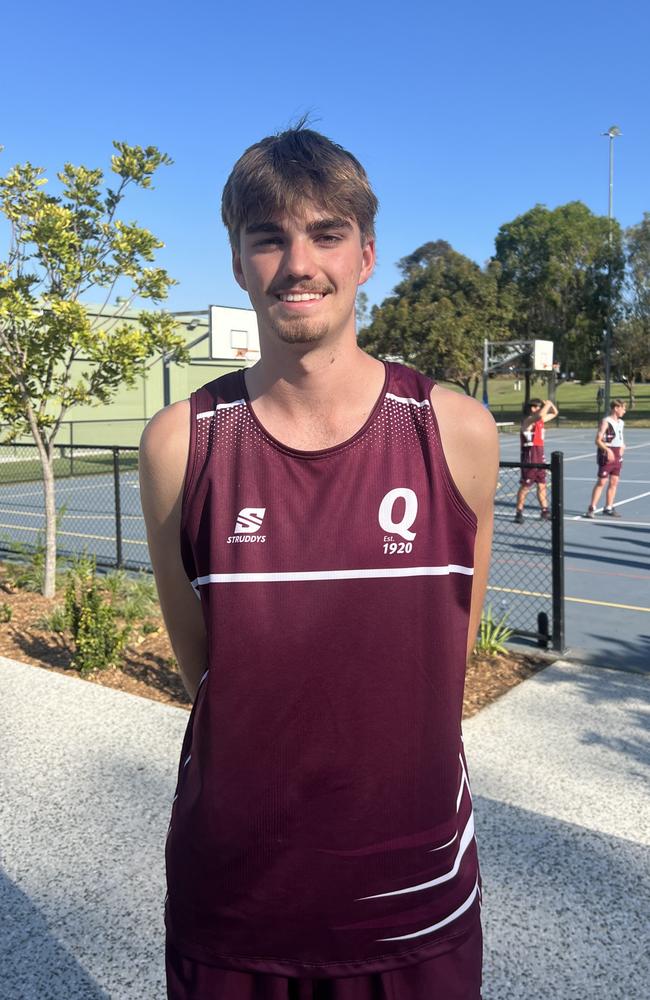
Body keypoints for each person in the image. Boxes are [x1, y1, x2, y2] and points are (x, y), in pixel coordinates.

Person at [139, 124, 498, 1000]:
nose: (298, 262)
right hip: (235, 906)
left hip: (413, 905)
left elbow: (446, 654)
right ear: (237, 262)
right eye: (269, 237)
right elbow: (208, 666)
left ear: (366, 254)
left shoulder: (455, 431)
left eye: (325, 233)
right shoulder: (182, 443)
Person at [513, 397, 558, 523]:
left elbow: (555, 413)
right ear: (532, 408)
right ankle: (519, 511)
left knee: (542, 485)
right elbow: (540, 415)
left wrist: (550, 404)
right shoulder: (528, 421)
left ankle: (544, 510)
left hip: (540, 457)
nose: (539, 409)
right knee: (525, 486)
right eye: (537, 407)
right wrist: (547, 405)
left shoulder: (540, 420)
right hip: (530, 459)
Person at [584, 398, 627, 518]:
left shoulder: (621, 423)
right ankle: (591, 508)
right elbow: (597, 440)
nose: (624, 411)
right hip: (606, 452)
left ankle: (608, 507)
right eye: (623, 408)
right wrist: (607, 450)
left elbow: (620, 437)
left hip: (617, 453)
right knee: (602, 481)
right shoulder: (606, 421)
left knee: (614, 482)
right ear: (616, 408)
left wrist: (623, 445)